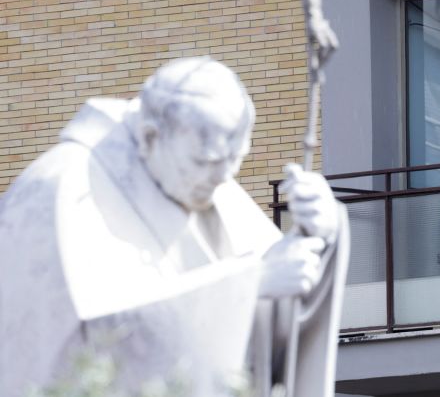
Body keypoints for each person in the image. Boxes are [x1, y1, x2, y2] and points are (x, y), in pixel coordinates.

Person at [0, 57, 347, 397]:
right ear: (151, 136)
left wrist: (318, 234)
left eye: (236, 160)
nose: (223, 178)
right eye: (207, 161)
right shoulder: (57, 190)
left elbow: (279, 295)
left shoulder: (204, 180)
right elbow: (78, 345)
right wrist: (250, 284)